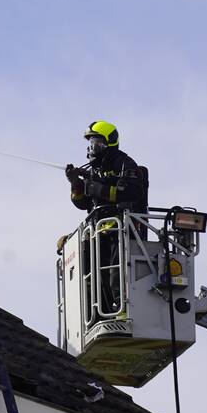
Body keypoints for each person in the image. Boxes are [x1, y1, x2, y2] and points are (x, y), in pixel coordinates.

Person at [64, 120, 149, 315]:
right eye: (91, 143)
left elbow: (133, 191)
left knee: (115, 273)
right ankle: (98, 314)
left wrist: (97, 188)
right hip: (97, 230)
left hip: (121, 227)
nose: (93, 147)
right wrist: (76, 183)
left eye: (97, 142)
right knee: (93, 275)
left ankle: (123, 312)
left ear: (110, 143)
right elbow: (83, 204)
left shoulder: (124, 163)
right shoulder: (93, 170)